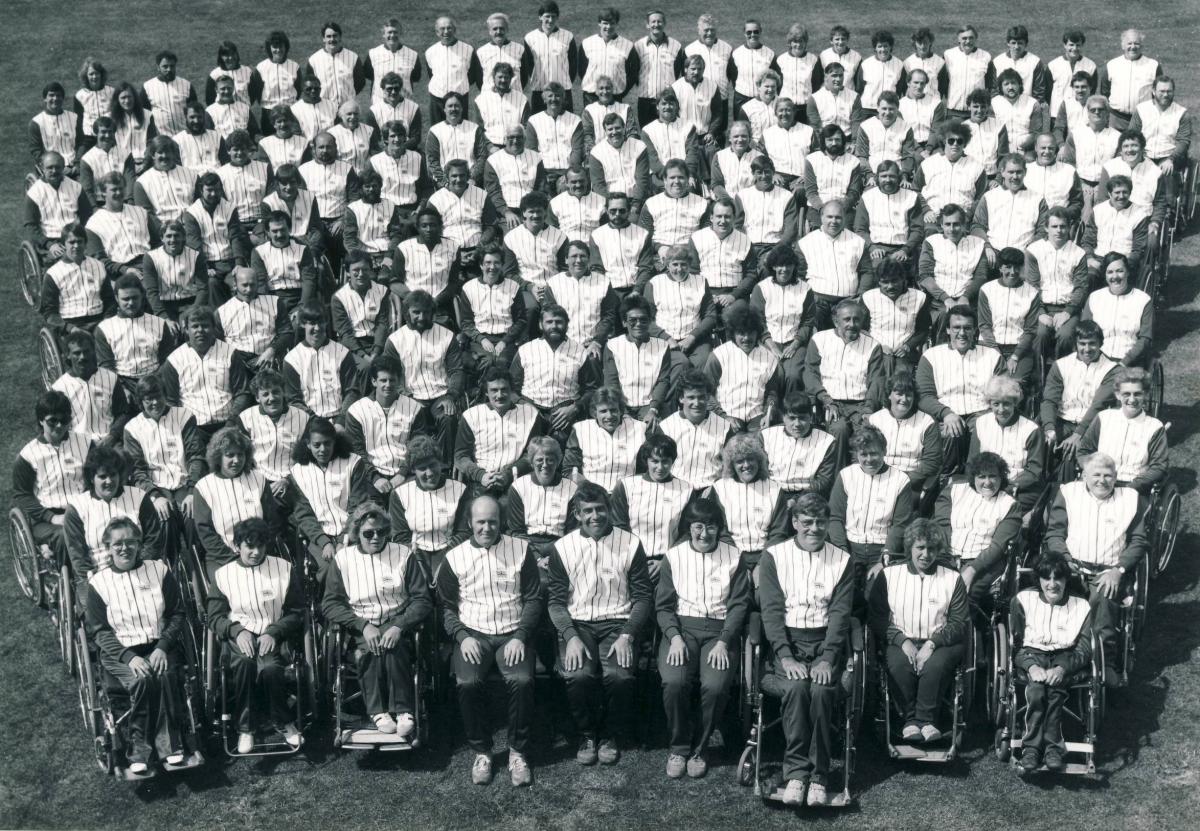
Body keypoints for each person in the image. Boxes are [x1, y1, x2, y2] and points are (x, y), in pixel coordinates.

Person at [438, 495, 542, 786]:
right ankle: (482, 751)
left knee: (521, 681)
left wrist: (521, 637)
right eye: (480, 522)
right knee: (468, 683)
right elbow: (447, 608)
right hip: (474, 634)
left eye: (493, 521)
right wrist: (462, 637)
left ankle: (517, 752)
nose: (487, 528)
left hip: (512, 633)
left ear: (502, 522)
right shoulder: (454, 557)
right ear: (470, 522)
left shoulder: (521, 550)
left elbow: (534, 599)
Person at [758, 493, 854, 806]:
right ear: (795, 522)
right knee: (798, 688)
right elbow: (771, 612)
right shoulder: (774, 556)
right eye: (807, 522)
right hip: (787, 643)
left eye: (821, 522)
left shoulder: (842, 560)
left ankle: (820, 777)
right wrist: (785, 655)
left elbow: (840, 615)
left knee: (823, 690)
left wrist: (828, 658)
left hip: (826, 642)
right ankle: (797, 774)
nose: (814, 528)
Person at [547, 481, 652, 764]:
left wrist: (628, 635)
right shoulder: (563, 547)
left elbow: (643, 597)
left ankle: (610, 734)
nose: (596, 516)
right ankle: (586, 733)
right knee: (578, 675)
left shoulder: (630, 543)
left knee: (619, 677)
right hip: (578, 623)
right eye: (588, 511)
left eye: (601, 509)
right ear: (577, 514)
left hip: (618, 623)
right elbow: (556, 603)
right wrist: (570, 636)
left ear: (609, 509)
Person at [84, 517, 195, 774]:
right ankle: (140, 749)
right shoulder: (98, 585)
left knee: (166, 675)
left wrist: (162, 647)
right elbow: (100, 632)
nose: (125, 549)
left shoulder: (159, 571)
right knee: (142, 680)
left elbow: (177, 613)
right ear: (108, 548)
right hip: (121, 653)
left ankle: (169, 747)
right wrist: (129, 658)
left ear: (140, 543)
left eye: (131, 542)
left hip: (158, 646)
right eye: (118, 544)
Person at [656, 496, 749, 778]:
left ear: (720, 528)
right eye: (698, 526)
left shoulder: (735, 557)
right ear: (689, 527)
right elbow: (663, 606)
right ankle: (679, 747)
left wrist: (724, 641)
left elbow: (739, 604)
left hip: (720, 633)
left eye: (710, 526)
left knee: (716, 686)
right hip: (682, 630)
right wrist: (673, 637)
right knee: (674, 682)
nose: (704, 533)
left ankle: (700, 748)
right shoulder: (674, 556)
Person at [324, 503, 433, 736]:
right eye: (368, 533)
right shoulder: (343, 559)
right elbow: (330, 603)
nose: (376, 537)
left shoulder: (403, 554)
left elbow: (422, 599)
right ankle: (378, 711)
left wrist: (399, 625)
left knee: (394, 647)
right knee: (367, 650)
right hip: (361, 622)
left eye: (381, 532)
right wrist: (362, 626)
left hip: (396, 618)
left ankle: (403, 710)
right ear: (356, 533)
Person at [1043, 453, 1148, 683]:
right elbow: (1055, 533)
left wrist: (1118, 570)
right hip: (1072, 567)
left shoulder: (1130, 498)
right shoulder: (1069, 493)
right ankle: (1062, 660)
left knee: (1102, 600)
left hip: (1107, 571)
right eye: (1096, 475)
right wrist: (1065, 559)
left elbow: (1139, 541)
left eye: (1108, 475)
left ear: (1116, 477)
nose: (1102, 480)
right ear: (1084, 476)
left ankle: (1105, 662)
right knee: (1061, 604)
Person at [207, 517, 305, 753]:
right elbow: (214, 617)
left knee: (271, 668)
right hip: (239, 636)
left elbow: (297, 611)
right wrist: (236, 631)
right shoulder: (223, 574)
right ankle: (245, 728)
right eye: (249, 546)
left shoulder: (284, 568)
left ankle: (283, 721)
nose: (256, 552)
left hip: (274, 635)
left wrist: (274, 632)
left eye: (261, 545)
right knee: (243, 663)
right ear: (238, 546)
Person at [869, 519, 968, 744]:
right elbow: (877, 616)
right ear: (910, 548)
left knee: (935, 665)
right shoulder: (889, 575)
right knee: (899, 665)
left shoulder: (952, 578)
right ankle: (909, 720)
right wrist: (902, 641)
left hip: (942, 642)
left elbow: (959, 621)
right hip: (900, 640)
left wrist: (932, 644)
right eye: (920, 548)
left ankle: (926, 720)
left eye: (931, 549)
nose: (926, 554)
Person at [1011, 551, 1093, 773]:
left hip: (1065, 656)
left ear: (1067, 580)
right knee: (1037, 691)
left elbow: (1085, 649)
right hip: (1033, 654)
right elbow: (1015, 646)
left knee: (1056, 691)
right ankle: (1031, 749)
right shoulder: (1023, 600)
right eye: (1047, 578)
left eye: (1058, 578)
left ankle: (1052, 749)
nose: (1052, 584)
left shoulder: (1082, 606)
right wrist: (1031, 666)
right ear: (1039, 579)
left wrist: (1062, 668)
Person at [915, 305, 1005, 466]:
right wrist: (946, 413)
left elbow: (1003, 393)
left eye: (967, 328)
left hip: (982, 413)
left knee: (983, 430)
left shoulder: (992, 356)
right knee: (950, 433)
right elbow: (923, 396)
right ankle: (946, 482)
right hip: (943, 414)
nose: (962, 333)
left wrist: (988, 416)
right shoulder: (931, 356)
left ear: (974, 330)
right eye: (956, 327)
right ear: (948, 329)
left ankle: (978, 479)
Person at [13, 391, 92, 568]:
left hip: (84, 511)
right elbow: (23, 495)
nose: (59, 426)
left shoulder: (86, 443)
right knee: (65, 537)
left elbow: (97, 478)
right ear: (41, 420)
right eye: (52, 421)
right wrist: (51, 517)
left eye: (64, 420)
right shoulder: (28, 456)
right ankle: (77, 585)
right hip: (47, 520)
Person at [933, 451, 1021, 610]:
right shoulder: (954, 491)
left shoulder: (1010, 505)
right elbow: (941, 526)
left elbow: (998, 547)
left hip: (984, 565)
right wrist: (944, 561)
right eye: (981, 476)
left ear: (1002, 477)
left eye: (993, 476)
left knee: (960, 599)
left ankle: (960, 633)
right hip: (947, 557)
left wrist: (971, 570)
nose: (987, 482)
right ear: (973, 477)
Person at [285, 417, 376, 569]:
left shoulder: (353, 463)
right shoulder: (297, 472)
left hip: (352, 531)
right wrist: (324, 542)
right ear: (308, 444)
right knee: (328, 570)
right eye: (316, 445)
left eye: (327, 443)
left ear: (335, 441)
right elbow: (304, 514)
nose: (323, 449)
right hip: (318, 537)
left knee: (355, 565)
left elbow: (359, 506)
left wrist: (344, 540)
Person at [828, 425, 913, 585]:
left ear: (884, 451)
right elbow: (834, 517)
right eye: (863, 454)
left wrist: (885, 557)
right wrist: (842, 552)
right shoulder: (846, 475)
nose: (869, 459)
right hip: (849, 546)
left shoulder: (901, 480)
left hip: (882, 549)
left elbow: (900, 524)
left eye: (874, 453)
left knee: (875, 594)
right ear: (856, 454)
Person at [382, 290, 463, 456]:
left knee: (448, 418)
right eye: (416, 312)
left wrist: (451, 396)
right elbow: (390, 374)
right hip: (410, 396)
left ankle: (443, 466)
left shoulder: (447, 336)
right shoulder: (395, 340)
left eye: (426, 312)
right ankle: (412, 466)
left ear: (432, 312)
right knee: (407, 420)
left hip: (440, 395)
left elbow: (457, 371)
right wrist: (405, 396)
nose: (421, 317)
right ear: (406, 313)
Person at [804, 299, 885, 462]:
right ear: (836, 321)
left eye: (857, 319)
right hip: (831, 403)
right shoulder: (820, 339)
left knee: (865, 436)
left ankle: (861, 479)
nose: (852, 324)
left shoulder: (873, 345)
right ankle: (838, 480)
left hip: (861, 405)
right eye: (847, 319)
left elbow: (876, 381)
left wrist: (868, 409)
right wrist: (826, 399)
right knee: (839, 429)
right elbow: (810, 374)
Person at [192, 425, 281, 568]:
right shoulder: (203, 488)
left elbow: (272, 522)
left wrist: (258, 552)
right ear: (218, 457)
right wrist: (233, 560)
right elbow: (206, 532)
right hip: (222, 558)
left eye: (240, 454)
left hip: (259, 553)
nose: (236, 460)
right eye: (230, 455)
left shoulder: (259, 479)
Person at [1039, 321, 1120, 476]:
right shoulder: (1061, 365)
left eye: (1092, 344)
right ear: (1075, 344)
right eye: (1082, 344)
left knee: (1070, 456)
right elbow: (1049, 400)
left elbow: (1098, 405)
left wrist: (1078, 435)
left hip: (1092, 426)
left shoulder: (1112, 370)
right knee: (1040, 451)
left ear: (1101, 343)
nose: (1087, 349)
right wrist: (1050, 429)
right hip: (1062, 422)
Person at [510, 304, 598, 445]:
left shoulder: (579, 351)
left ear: (567, 325)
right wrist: (524, 405)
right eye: (549, 322)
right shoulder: (526, 350)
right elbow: (511, 388)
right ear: (540, 324)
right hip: (530, 408)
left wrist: (575, 408)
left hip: (565, 412)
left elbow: (591, 389)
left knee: (561, 447)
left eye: (559, 322)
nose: (554, 326)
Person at [160, 304, 253, 437]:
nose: (200, 330)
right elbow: (171, 402)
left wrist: (232, 423)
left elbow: (242, 392)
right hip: (193, 429)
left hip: (227, 423)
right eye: (195, 326)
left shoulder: (230, 353)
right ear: (186, 329)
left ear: (214, 328)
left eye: (205, 326)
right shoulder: (174, 360)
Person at [705, 433, 790, 573]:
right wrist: (737, 563)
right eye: (740, 461)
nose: (746, 465)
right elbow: (720, 530)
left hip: (767, 556)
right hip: (729, 556)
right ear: (731, 464)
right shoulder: (720, 488)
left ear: (759, 460)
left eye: (751, 459)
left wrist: (763, 563)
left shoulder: (774, 488)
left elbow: (778, 532)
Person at [343, 356, 428, 496]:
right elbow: (356, 451)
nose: (388, 385)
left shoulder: (414, 408)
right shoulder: (356, 411)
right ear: (373, 381)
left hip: (406, 475)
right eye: (383, 380)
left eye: (392, 380)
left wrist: (402, 473)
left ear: (399, 381)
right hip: (370, 477)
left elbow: (417, 445)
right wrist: (375, 478)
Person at [455, 368, 545, 497]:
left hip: (516, 480)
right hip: (481, 482)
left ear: (511, 391)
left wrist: (509, 474)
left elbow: (531, 454)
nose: (499, 395)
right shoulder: (471, 415)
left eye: (504, 389)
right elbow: (461, 456)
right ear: (486, 392)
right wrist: (481, 476)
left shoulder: (530, 414)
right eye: (494, 390)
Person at [1077, 367, 1167, 494]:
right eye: (1126, 394)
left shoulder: (1155, 426)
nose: (1132, 399)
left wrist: (1133, 487)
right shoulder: (1103, 418)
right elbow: (1083, 451)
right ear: (1117, 395)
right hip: (1099, 483)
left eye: (1137, 394)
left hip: (1133, 486)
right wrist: (1093, 473)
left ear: (1146, 394)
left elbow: (1159, 467)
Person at [610, 434, 694, 570]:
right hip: (631, 561)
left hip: (669, 563)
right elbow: (618, 526)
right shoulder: (625, 485)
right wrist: (636, 562)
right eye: (655, 461)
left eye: (665, 461)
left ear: (673, 461)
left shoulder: (686, 489)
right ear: (646, 460)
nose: (660, 467)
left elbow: (687, 532)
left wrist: (666, 562)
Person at [124, 376, 205, 514]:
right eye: (149, 399)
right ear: (140, 401)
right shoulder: (132, 428)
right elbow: (137, 471)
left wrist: (192, 491)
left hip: (185, 483)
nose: (155, 402)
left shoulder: (184, 416)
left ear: (165, 395)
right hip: (155, 487)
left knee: (192, 514)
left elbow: (196, 456)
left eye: (158, 396)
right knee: (163, 517)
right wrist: (154, 496)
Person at [968, 376, 1046, 513]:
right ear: (989, 403)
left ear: (1015, 403)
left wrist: (1009, 486)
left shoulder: (1031, 429)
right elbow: (972, 462)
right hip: (985, 484)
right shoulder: (981, 423)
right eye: (996, 404)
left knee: (1002, 510)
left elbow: (1034, 472)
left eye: (1007, 404)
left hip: (1019, 488)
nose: (1001, 409)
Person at [796, 201, 874, 330]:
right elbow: (799, 274)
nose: (834, 221)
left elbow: (867, 272)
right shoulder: (806, 242)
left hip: (848, 301)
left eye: (838, 217)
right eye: (829, 217)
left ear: (844, 219)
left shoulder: (858, 242)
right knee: (816, 336)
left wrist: (860, 295)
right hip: (817, 301)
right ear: (821, 217)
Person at [93, 275, 174, 396]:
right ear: (116, 298)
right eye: (125, 299)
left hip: (155, 380)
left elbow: (166, 360)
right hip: (123, 383)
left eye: (135, 298)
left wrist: (156, 382)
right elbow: (106, 365)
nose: (131, 303)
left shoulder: (159, 324)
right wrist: (120, 389)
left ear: (142, 295)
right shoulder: (104, 328)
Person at [704, 302, 781, 430]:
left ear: (758, 333)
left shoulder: (769, 358)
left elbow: (771, 393)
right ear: (733, 333)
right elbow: (706, 392)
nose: (746, 338)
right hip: (727, 415)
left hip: (757, 417)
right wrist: (723, 416)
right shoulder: (718, 355)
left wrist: (768, 414)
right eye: (741, 333)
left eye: (750, 333)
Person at [750, 245, 815, 395]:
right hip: (767, 342)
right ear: (773, 266)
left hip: (794, 342)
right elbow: (757, 321)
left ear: (794, 266)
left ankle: (791, 413)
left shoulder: (805, 289)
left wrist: (795, 344)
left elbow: (808, 322)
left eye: (788, 265)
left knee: (793, 376)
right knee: (775, 374)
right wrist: (771, 346)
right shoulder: (761, 288)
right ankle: (772, 413)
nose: (784, 269)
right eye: (780, 265)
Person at [600, 295, 672, 426]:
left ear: (650, 321)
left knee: (652, 430)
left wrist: (653, 410)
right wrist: (623, 412)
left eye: (643, 320)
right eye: (633, 320)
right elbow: (611, 382)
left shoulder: (662, 346)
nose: (638, 324)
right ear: (624, 322)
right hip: (621, 405)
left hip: (650, 405)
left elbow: (663, 381)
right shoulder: (612, 345)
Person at [977, 247, 1041, 393]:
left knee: (1012, 387)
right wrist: (997, 355)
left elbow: (1030, 330)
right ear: (1000, 267)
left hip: (1019, 349)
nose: (1013, 272)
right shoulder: (987, 289)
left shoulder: (1032, 293)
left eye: (1017, 267)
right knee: (987, 385)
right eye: (1008, 267)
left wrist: (1015, 357)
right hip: (989, 347)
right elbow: (984, 326)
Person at [866, 371, 942, 495]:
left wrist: (902, 481)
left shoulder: (927, 422)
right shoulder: (874, 420)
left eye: (909, 395)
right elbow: (861, 453)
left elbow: (931, 463)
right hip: (877, 479)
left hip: (910, 485)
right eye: (899, 394)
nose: (904, 399)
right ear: (889, 395)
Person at [1026, 208, 1088, 358]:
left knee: (1066, 336)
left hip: (1067, 308)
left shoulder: (1078, 253)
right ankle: (1039, 379)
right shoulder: (1034, 250)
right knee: (1039, 334)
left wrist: (1068, 312)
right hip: (1041, 307)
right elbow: (1031, 285)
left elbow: (1081, 288)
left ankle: (1061, 377)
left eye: (1063, 226)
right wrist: (1040, 313)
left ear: (1069, 227)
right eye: (1054, 226)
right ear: (1046, 227)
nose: (1059, 231)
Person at [657, 371, 734, 492]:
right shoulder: (666, 427)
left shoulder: (725, 427)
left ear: (708, 397)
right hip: (674, 491)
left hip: (710, 491)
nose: (697, 403)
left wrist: (716, 489)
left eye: (701, 397)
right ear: (681, 398)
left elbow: (730, 467)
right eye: (691, 397)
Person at [51, 331, 131, 446]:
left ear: (93, 351)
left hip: (109, 442)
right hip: (76, 446)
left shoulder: (111, 378)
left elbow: (123, 413)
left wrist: (112, 436)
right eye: (77, 353)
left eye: (86, 351)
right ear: (68, 355)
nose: (82, 357)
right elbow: (56, 425)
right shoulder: (59, 388)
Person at [916, 205, 988, 332]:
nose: (952, 229)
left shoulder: (978, 243)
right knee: (945, 316)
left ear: (964, 224)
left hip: (969, 300)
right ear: (941, 225)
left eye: (956, 224)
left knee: (966, 321)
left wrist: (966, 297)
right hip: (939, 302)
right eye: (947, 224)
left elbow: (981, 276)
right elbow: (925, 276)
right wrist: (946, 299)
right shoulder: (931, 242)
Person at [644, 245, 717, 369]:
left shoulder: (701, 282)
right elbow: (646, 318)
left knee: (704, 362)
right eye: (675, 264)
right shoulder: (654, 283)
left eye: (683, 264)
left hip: (696, 340)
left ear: (689, 265)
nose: (679, 269)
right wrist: (666, 338)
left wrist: (691, 338)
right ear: (667, 265)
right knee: (680, 364)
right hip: (665, 340)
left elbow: (710, 316)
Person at [505, 436, 578, 559]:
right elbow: (516, 531)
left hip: (559, 544)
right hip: (527, 544)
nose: (545, 465)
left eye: (550, 460)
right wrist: (536, 557)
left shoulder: (571, 488)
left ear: (558, 461)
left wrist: (556, 557)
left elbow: (572, 531)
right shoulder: (518, 487)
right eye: (539, 460)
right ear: (532, 462)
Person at [182, 173, 251, 301]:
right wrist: (205, 268)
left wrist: (239, 263)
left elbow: (235, 237)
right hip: (209, 263)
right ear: (201, 190)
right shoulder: (192, 213)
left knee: (240, 283)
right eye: (209, 190)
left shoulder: (229, 207)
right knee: (211, 285)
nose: (214, 194)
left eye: (217, 190)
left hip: (230, 261)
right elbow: (194, 245)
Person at [238, 369, 311, 491]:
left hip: (294, 480)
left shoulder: (303, 417)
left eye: (276, 392)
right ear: (257, 397)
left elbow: (307, 457)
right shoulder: (245, 418)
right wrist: (259, 482)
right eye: (265, 394)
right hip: (257, 481)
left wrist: (288, 480)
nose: (271, 398)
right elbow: (244, 457)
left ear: (283, 392)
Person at [282, 303, 358, 420]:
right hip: (308, 422)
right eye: (312, 323)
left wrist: (341, 421)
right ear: (302, 324)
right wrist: (316, 423)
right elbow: (294, 400)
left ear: (326, 322)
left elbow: (352, 392)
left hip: (339, 420)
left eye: (320, 322)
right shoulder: (292, 359)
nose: (317, 328)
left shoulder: (343, 353)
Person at [563, 387, 647, 493]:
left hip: (628, 493)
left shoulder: (639, 429)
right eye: (603, 411)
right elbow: (569, 469)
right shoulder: (581, 429)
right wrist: (587, 487)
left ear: (621, 410)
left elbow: (645, 468)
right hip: (591, 495)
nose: (609, 416)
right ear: (595, 413)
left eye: (613, 410)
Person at [544, 241, 618, 355]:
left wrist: (597, 341)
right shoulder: (554, 283)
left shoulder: (603, 282)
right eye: (574, 256)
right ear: (566, 259)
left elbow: (609, 316)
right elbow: (550, 317)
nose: (578, 260)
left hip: (592, 345)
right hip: (563, 344)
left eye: (582, 256)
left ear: (588, 259)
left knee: (593, 361)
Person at [853, 161, 923, 282]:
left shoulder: (911, 197)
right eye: (884, 176)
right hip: (876, 248)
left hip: (902, 248)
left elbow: (917, 229)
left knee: (898, 273)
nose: (888, 180)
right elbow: (860, 229)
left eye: (892, 176)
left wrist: (905, 250)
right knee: (877, 270)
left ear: (899, 177)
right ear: (877, 178)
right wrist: (872, 247)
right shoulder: (868, 197)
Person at [860, 260, 932, 377]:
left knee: (901, 378)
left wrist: (907, 346)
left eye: (894, 281)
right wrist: (878, 346)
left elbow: (923, 330)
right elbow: (862, 329)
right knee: (883, 369)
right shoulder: (868, 297)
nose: (890, 286)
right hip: (877, 351)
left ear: (903, 279)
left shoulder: (919, 297)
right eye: (885, 282)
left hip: (906, 353)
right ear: (879, 282)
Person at [761, 391, 838, 499]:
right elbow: (761, 472)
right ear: (783, 417)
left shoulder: (827, 441)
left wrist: (797, 500)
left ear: (811, 417)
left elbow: (824, 481)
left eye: (802, 418)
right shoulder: (766, 436)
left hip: (807, 496)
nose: (797, 424)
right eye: (792, 418)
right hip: (771, 494)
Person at [1080, 252, 1153, 367]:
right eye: (1110, 272)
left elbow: (1145, 339)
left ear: (1128, 272)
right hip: (1097, 361)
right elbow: (1084, 333)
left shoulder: (1143, 300)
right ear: (1105, 275)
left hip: (1130, 363)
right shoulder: (1094, 297)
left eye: (1120, 271)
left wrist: (1124, 362)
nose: (1115, 277)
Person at [1129, 76, 1192, 205]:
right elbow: (1132, 135)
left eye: (1169, 91)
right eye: (1161, 91)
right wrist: (1139, 156)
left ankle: (1168, 211)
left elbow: (1183, 141)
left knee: (1166, 172)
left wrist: (1171, 159)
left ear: (1173, 91)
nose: (1165, 95)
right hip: (1144, 155)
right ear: (1153, 91)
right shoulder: (1141, 110)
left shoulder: (1181, 113)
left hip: (1169, 157)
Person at [216, 267, 293, 372]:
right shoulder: (222, 311)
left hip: (269, 359)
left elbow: (287, 333)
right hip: (239, 363)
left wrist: (272, 350)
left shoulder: (275, 302)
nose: (249, 289)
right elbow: (217, 344)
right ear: (235, 284)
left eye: (252, 285)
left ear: (258, 284)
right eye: (244, 285)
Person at [39, 222, 112, 334]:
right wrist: (70, 328)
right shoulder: (53, 274)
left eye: (80, 241)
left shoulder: (98, 266)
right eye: (71, 242)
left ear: (86, 243)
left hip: (99, 321)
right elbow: (49, 313)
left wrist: (106, 322)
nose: (76, 246)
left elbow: (109, 300)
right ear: (63, 244)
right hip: (71, 325)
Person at [394, 206, 462, 323]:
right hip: (413, 308)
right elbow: (395, 282)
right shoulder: (404, 248)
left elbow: (453, 282)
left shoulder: (453, 247)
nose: (429, 229)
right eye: (424, 225)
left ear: (440, 227)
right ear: (417, 227)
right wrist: (413, 299)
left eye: (433, 225)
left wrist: (437, 300)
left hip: (441, 306)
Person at [85, 173, 159, 282]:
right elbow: (98, 260)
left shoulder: (141, 212)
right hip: (120, 272)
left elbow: (157, 243)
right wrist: (124, 269)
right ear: (103, 193)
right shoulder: (93, 223)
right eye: (114, 190)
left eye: (121, 188)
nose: (119, 193)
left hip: (149, 264)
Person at [687, 197, 756, 307]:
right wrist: (705, 295)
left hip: (735, 294)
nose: (723, 221)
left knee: (734, 314)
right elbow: (693, 271)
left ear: (734, 218)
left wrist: (733, 295)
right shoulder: (697, 238)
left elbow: (751, 274)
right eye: (719, 216)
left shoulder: (745, 240)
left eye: (727, 217)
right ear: (711, 217)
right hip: (705, 292)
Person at [1062, 95, 1121, 221]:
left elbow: (1118, 165)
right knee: (1084, 215)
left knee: (1102, 218)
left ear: (1107, 113)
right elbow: (1068, 163)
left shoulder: (1117, 136)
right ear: (1087, 113)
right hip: (1081, 182)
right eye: (1093, 110)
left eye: (1101, 109)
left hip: (1105, 184)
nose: (1097, 112)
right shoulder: (1076, 134)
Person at [1081, 176, 1151, 280]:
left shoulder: (1140, 214)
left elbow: (1138, 249)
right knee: (1089, 277)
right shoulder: (1098, 210)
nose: (1121, 196)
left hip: (1124, 261)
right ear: (1109, 194)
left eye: (1125, 192)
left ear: (1130, 193)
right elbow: (1087, 241)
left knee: (1117, 278)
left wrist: (1124, 265)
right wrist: (1090, 258)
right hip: (1099, 259)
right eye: (1117, 192)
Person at [24, 152, 91, 258]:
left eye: (58, 167)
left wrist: (82, 234)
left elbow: (87, 215)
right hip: (51, 240)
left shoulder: (76, 187)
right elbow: (31, 226)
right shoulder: (34, 193)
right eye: (50, 167)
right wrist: (49, 244)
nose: (54, 171)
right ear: (42, 168)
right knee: (66, 261)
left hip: (76, 236)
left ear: (63, 167)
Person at [485, 125, 549, 227]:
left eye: (519, 137)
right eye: (511, 137)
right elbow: (493, 192)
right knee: (514, 240)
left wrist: (534, 210)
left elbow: (541, 187)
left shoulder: (536, 157)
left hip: (532, 210)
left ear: (524, 139)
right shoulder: (493, 160)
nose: (515, 141)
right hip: (508, 212)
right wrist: (506, 212)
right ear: (505, 139)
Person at [524, 82, 584, 191]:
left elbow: (577, 150)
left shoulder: (575, 120)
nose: (554, 99)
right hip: (544, 171)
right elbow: (531, 152)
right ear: (544, 99)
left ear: (563, 99)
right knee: (541, 194)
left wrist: (568, 174)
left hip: (566, 170)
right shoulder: (534, 121)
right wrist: (541, 175)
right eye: (550, 96)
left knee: (565, 189)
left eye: (557, 95)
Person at [738, 156, 803, 256]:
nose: (764, 176)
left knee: (766, 266)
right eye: (759, 172)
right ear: (753, 174)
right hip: (748, 247)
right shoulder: (742, 196)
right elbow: (736, 225)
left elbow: (791, 229)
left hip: (774, 246)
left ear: (773, 172)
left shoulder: (786, 196)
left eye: (767, 171)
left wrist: (777, 250)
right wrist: (742, 247)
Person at [1098, 29, 1162, 131]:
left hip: (1143, 119)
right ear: (1123, 45)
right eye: (1129, 43)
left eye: (1136, 43)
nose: (1133, 47)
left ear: (1142, 46)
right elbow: (1104, 92)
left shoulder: (1153, 66)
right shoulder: (1112, 65)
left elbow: (1159, 93)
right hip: (1116, 119)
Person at [425, 16, 484, 124]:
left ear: (454, 30)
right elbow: (432, 74)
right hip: (437, 99)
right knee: (437, 132)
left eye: (449, 28)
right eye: (442, 29)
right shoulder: (430, 52)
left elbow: (472, 76)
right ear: (437, 32)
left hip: (460, 99)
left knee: (461, 132)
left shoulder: (468, 50)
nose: (446, 32)